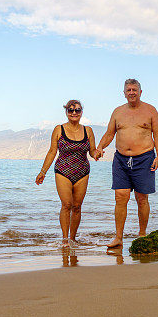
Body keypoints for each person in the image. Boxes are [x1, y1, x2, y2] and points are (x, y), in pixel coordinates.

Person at [96, 78, 158, 249]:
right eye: (128, 90)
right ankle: (118, 237)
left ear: (141, 92)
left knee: (142, 199)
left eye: (134, 89)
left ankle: (141, 234)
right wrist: (100, 147)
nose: (131, 92)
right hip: (121, 159)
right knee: (120, 197)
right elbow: (110, 133)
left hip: (145, 158)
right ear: (124, 93)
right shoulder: (118, 112)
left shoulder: (151, 110)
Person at [36, 100, 98, 246]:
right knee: (66, 204)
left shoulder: (88, 130)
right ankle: (65, 239)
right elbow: (52, 151)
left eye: (77, 110)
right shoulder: (59, 129)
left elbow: (92, 150)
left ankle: (73, 238)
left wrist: (97, 153)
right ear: (66, 112)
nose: (74, 113)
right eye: (71, 110)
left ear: (81, 112)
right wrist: (42, 171)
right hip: (63, 170)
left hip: (82, 171)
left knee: (77, 206)